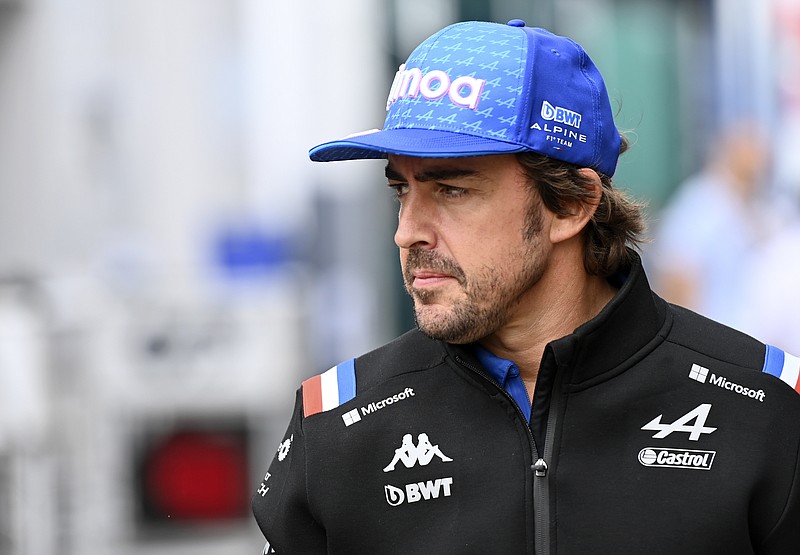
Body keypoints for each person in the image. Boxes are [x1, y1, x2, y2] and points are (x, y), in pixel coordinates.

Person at [252, 20, 800, 554]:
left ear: (571, 204)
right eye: (402, 191)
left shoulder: (764, 409)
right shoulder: (337, 428)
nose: (407, 232)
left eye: (451, 191)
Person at [650, 121, 772, 331]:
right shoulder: (700, 203)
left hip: (751, 342)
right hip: (716, 343)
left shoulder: (756, 204)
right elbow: (676, 276)